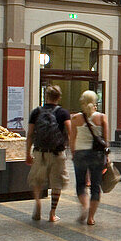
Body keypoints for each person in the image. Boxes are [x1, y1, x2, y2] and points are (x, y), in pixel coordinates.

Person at [25, 85, 71, 222]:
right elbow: (70, 132)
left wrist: (27, 153)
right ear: (59, 97)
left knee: (37, 180)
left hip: (40, 152)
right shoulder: (63, 113)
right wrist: (69, 147)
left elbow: (30, 134)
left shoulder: (36, 112)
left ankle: (38, 203)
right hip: (57, 153)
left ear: (46, 96)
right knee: (57, 183)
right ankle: (52, 213)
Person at [68, 90, 108, 225]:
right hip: (97, 154)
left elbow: (72, 138)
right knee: (95, 186)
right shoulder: (102, 117)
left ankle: (84, 206)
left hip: (80, 153)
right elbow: (106, 141)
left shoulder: (75, 118)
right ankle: (91, 217)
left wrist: (73, 153)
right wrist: (106, 157)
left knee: (80, 184)